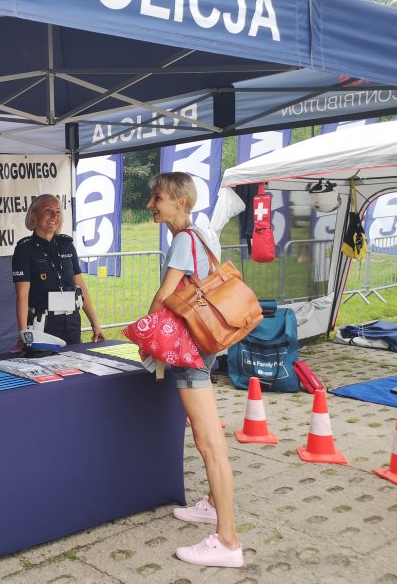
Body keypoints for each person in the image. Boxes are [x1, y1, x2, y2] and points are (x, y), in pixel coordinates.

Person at [142, 172, 244, 568]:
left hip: (188, 350)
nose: (151, 205)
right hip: (206, 344)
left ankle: (228, 541)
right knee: (207, 438)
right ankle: (212, 505)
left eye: (158, 198)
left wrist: (145, 334)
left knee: (209, 443)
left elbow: (166, 296)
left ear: (181, 202)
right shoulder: (200, 235)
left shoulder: (184, 240)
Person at [11, 194, 105, 349]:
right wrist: (23, 335)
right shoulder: (24, 249)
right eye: (48, 210)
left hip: (72, 322)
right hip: (43, 324)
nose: (54, 216)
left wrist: (96, 324)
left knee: (74, 369)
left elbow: (81, 286)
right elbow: (22, 296)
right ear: (34, 216)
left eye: (58, 211)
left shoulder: (66, 245)